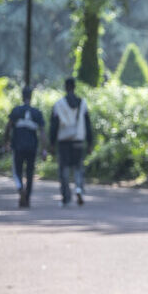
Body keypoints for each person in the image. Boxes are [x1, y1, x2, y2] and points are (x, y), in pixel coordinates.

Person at [49, 77, 94, 207]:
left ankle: (66, 197)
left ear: (65, 87)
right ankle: (79, 188)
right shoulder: (83, 103)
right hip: (79, 141)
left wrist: (52, 143)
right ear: (74, 87)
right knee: (78, 167)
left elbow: (54, 126)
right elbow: (88, 125)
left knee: (64, 169)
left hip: (64, 141)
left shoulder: (58, 104)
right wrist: (90, 142)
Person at [5, 86, 45, 208]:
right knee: (29, 172)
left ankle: (20, 188)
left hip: (18, 147)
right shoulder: (37, 113)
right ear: (31, 97)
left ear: (22, 96)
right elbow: (43, 132)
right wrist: (44, 149)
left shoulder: (16, 111)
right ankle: (27, 198)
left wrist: (6, 141)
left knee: (17, 171)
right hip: (32, 147)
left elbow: (8, 127)